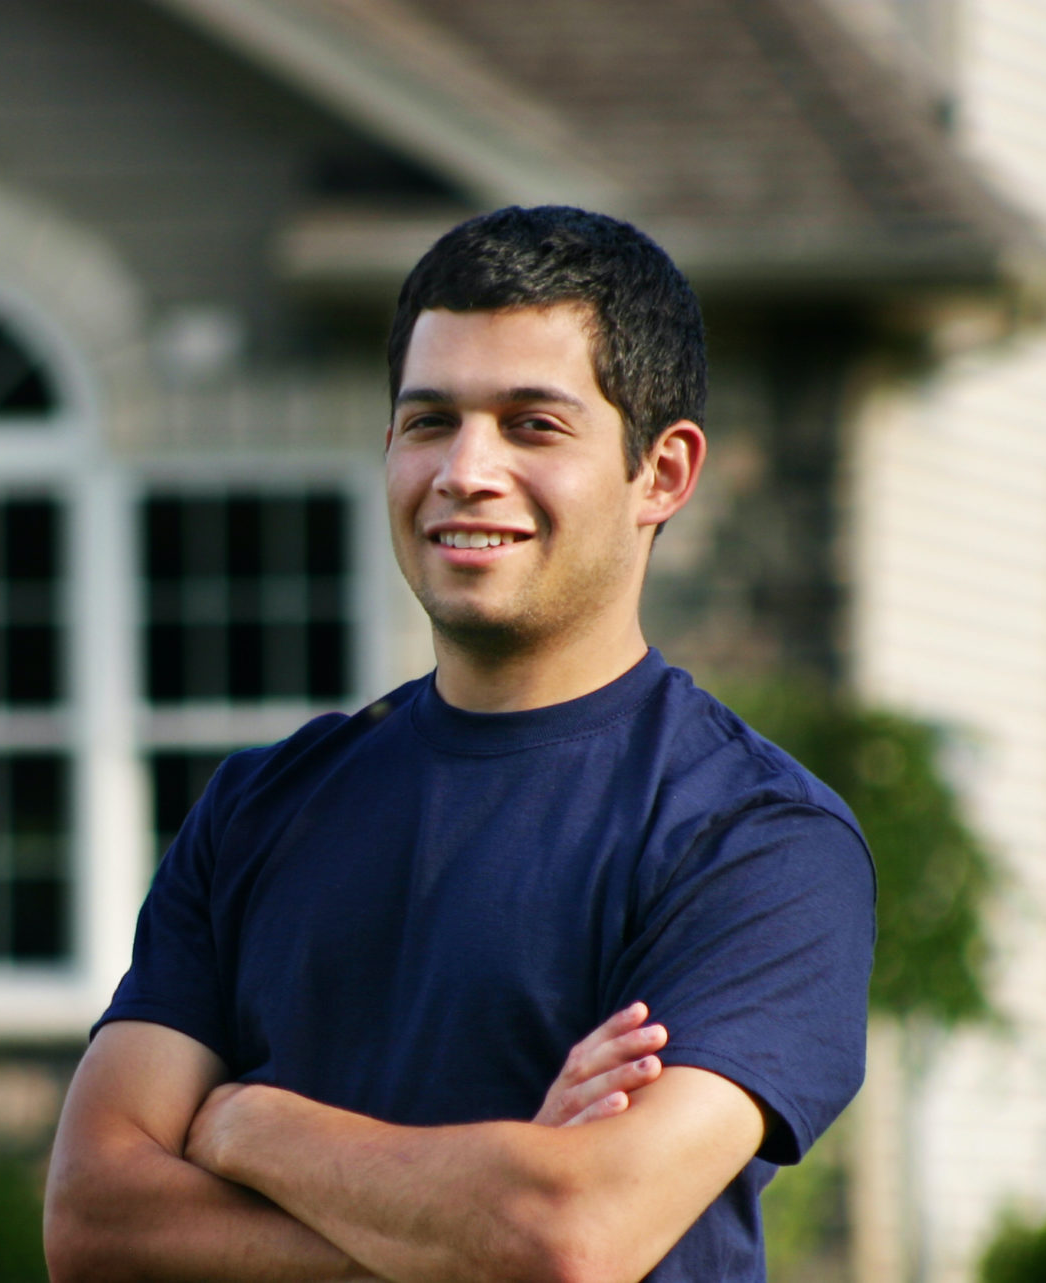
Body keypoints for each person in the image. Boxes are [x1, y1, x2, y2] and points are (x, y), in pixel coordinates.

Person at [43, 206, 876, 1283]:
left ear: (660, 473)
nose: (464, 470)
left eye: (531, 423)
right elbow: (94, 1220)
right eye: (429, 419)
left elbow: (569, 1237)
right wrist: (469, 1218)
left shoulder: (752, 838)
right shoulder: (261, 804)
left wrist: (247, 1123)